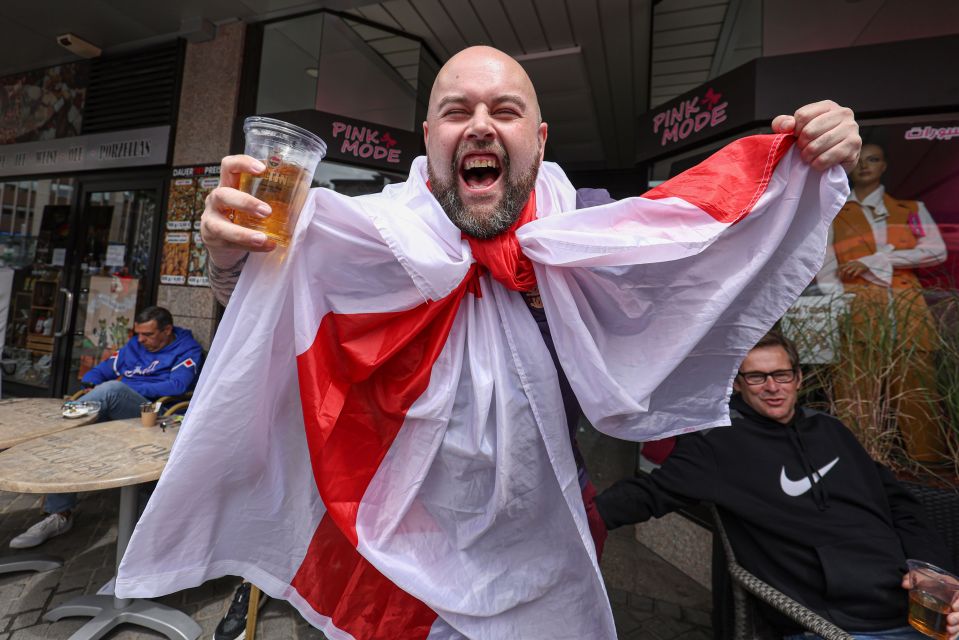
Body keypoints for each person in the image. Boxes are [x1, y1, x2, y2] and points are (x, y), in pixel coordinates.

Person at [117, 46, 862, 639]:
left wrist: (812, 160)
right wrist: (226, 258)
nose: (479, 124)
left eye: (504, 110)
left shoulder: (593, 229)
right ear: (431, 140)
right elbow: (269, 312)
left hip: (545, 538)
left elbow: (708, 258)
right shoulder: (367, 230)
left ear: (536, 140)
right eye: (455, 111)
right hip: (386, 547)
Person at [595, 332, 959, 640]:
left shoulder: (831, 430)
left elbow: (900, 503)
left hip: (913, 605)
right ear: (738, 384)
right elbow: (650, 494)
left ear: (799, 378)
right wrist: (576, 517)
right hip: (835, 622)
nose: (772, 387)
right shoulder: (719, 444)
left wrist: (935, 572)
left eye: (782, 375)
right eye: (757, 377)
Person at [8, 306, 202, 550]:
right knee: (76, 433)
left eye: (148, 335)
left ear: (167, 330)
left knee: (111, 391)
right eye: (138, 334)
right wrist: (91, 382)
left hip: (157, 415)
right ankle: (59, 515)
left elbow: (177, 385)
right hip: (121, 407)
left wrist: (128, 387)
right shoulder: (135, 345)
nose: (140, 340)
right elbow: (102, 370)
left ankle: (44, 440)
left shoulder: (187, 348)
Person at [816, 143, 948, 462]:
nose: (865, 166)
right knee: (855, 389)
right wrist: (841, 305)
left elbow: (936, 251)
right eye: (859, 161)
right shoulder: (834, 212)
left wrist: (881, 258)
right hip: (858, 307)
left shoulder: (910, 209)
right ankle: (859, 461)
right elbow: (826, 266)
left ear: (884, 166)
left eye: (873, 159)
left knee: (918, 388)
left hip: (907, 308)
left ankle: (927, 461)